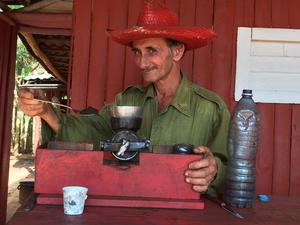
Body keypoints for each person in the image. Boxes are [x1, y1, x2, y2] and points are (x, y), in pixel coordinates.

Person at [18, 0, 230, 196]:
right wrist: (45, 111)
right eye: (137, 52)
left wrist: (214, 170)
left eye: (151, 51)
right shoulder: (127, 101)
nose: (141, 63)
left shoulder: (210, 108)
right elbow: (93, 130)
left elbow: (232, 171)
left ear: (177, 51)